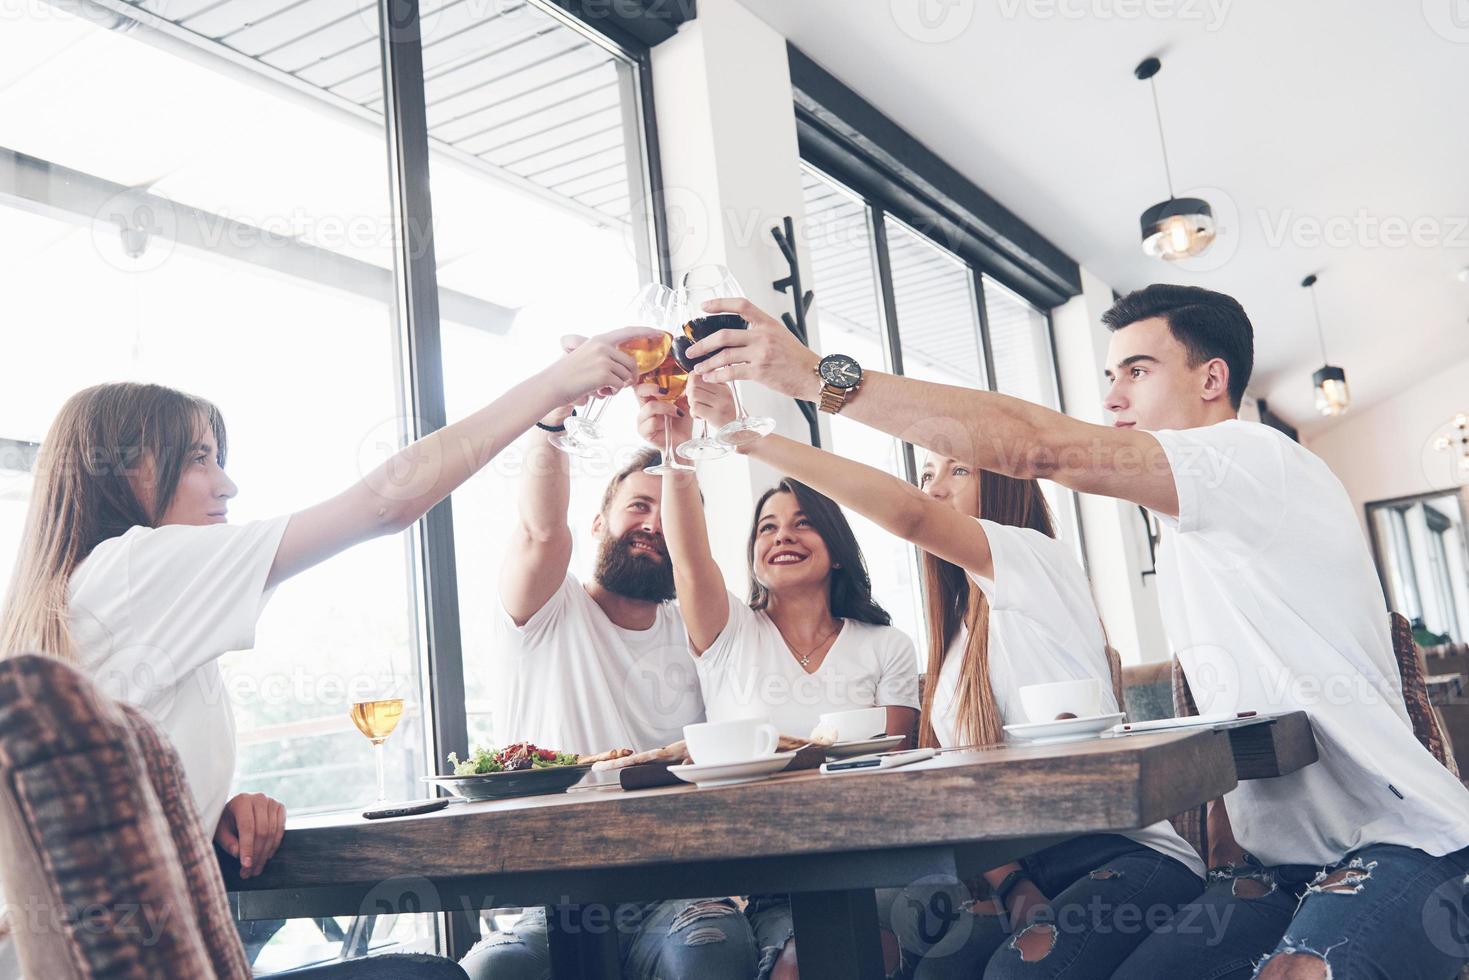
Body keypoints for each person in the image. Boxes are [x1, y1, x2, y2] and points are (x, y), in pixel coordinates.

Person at [685, 285, 1469, 979]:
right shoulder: (1192, 535)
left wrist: (812, 377)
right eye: (1109, 375)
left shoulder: (1253, 461)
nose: (1113, 394)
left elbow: (1033, 446)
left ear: (1211, 377)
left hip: (1404, 840)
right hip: (1276, 867)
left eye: (1136, 370)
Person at [0, 326, 653, 979]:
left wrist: (201, 809)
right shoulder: (135, 570)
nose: (225, 484)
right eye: (199, 457)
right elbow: (382, 504)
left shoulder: (84, 597)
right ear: (124, 470)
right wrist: (552, 390)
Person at [693, 384, 1204, 978]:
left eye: (956, 470)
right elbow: (957, 794)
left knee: (1018, 973)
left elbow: (908, 513)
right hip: (1020, 867)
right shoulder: (955, 634)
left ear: (1004, 481)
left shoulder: (1036, 561)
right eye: (928, 472)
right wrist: (1011, 883)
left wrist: (749, 435)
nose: (933, 488)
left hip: (1122, 854)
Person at [459, 383, 758, 980]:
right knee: (496, 972)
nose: (652, 525)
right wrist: (554, 419)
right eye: (636, 507)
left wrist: (682, 449)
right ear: (599, 521)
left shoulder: (700, 622)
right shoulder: (547, 611)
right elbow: (542, 531)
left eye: (667, 512)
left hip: (679, 889)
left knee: (710, 952)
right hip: (555, 897)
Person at [643, 383, 920, 980]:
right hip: (760, 867)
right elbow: (690, 556)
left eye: (801, 524)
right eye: (767, 528)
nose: (782, 536)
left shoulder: (887, 646)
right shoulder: (727, 633)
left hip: (868, 858)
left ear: (838, 549)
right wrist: (680, 453)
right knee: (796, 965)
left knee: (879, 947)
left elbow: (894, 772)